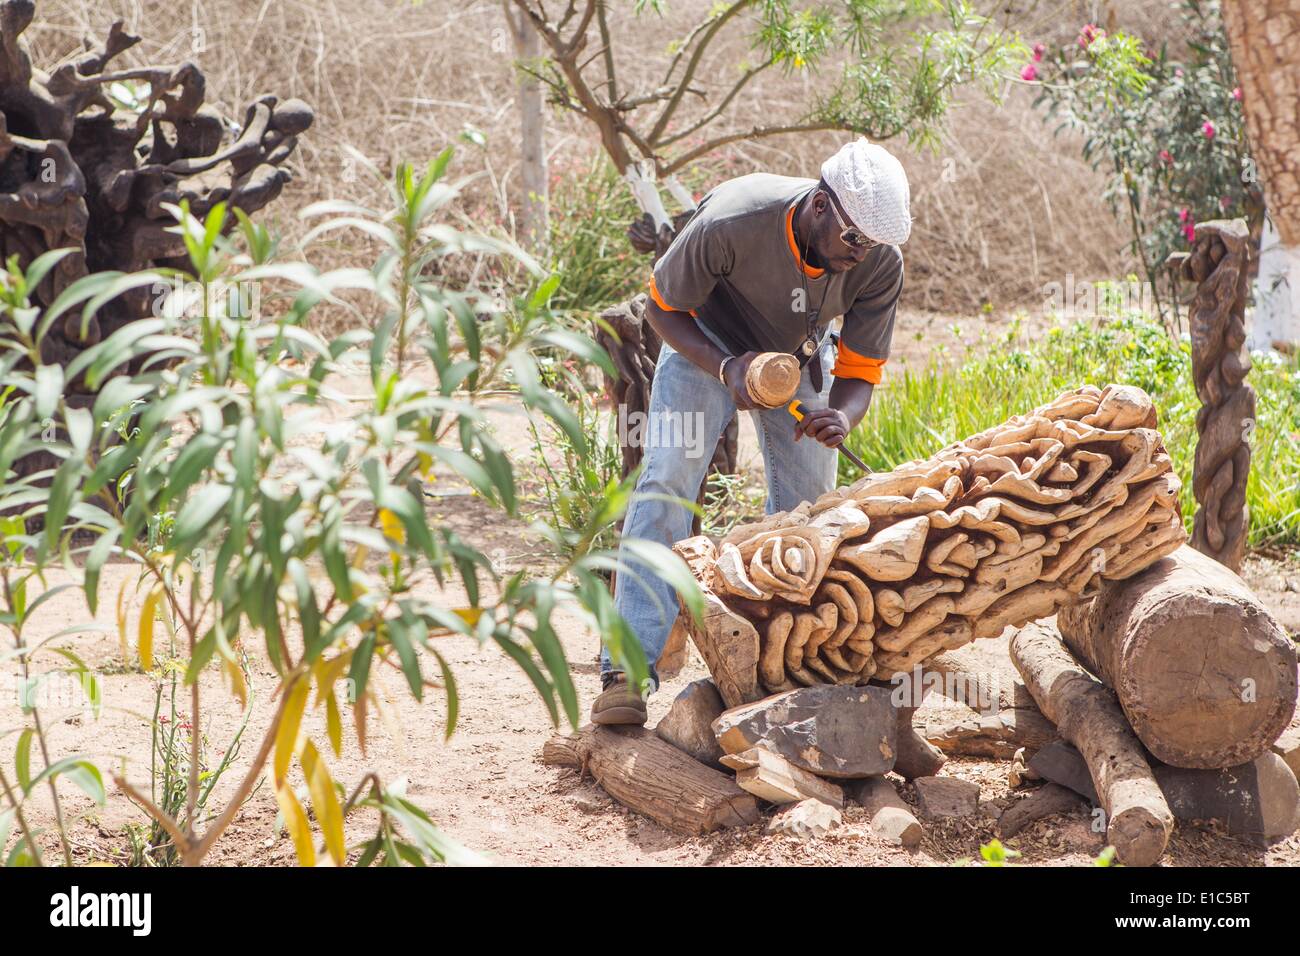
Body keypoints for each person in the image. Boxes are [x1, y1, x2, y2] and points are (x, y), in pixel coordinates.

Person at [591, 138, 913, 725]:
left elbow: (861, 370)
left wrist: (841, 415)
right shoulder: (734, 219)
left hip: (798, 357)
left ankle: (781, 670)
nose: (861, 253)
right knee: (668, 479)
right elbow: (660, 306)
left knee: (811, 513)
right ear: (821, 205)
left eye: (871, 244)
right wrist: (726, 367)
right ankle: (626, 671)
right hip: (702, 345)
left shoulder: (878, 260)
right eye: (854, 239)